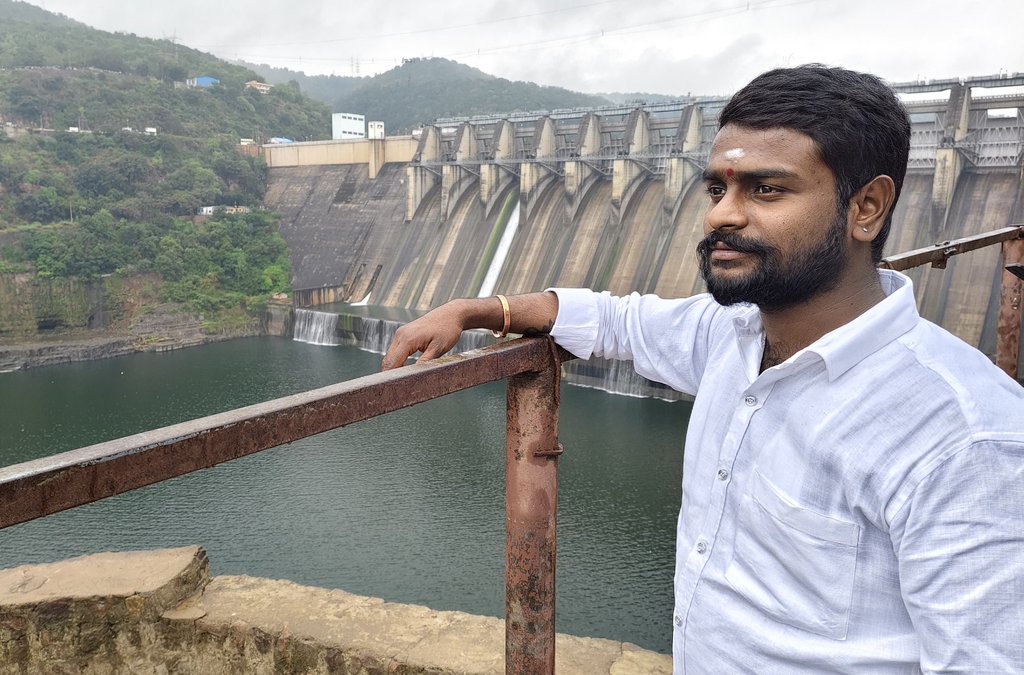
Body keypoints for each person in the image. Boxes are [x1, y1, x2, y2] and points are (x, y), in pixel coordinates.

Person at [381, 65, 1024, 673]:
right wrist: (480, 308)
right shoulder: (732, 335)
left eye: (766, 189)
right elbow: (614, 321)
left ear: (868, 208)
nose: (721, 213)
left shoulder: (966, 440)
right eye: (718, 188)